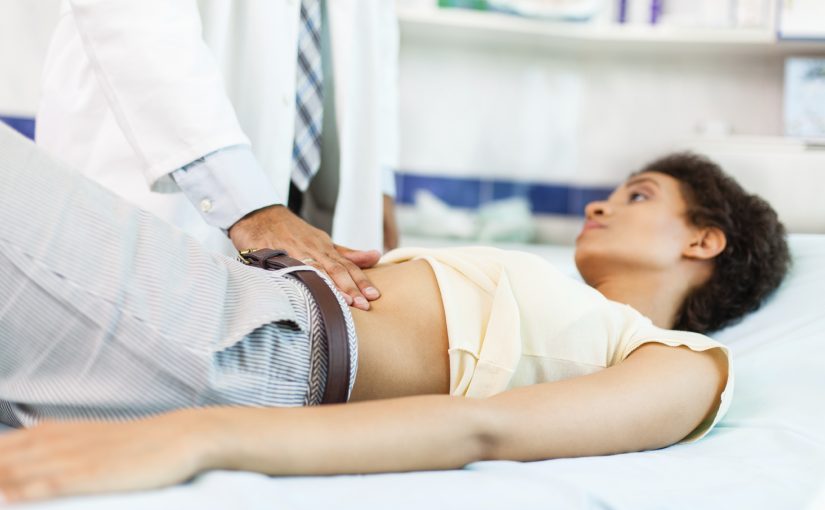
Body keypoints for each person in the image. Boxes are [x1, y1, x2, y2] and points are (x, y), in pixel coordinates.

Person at [0, 124, 790, 502]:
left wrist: (200, 435)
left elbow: (489, 431)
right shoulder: (558, 295)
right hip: (229, 311)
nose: (598, 202)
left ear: (704, 240)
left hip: (235, 350)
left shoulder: (682, 367)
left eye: (638, 195)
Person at [36, 0, 400, 311]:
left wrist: (378, 173)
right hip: (160, 171)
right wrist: (249, 208)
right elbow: (135, 17)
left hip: (310, 185)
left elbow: (377, 25)